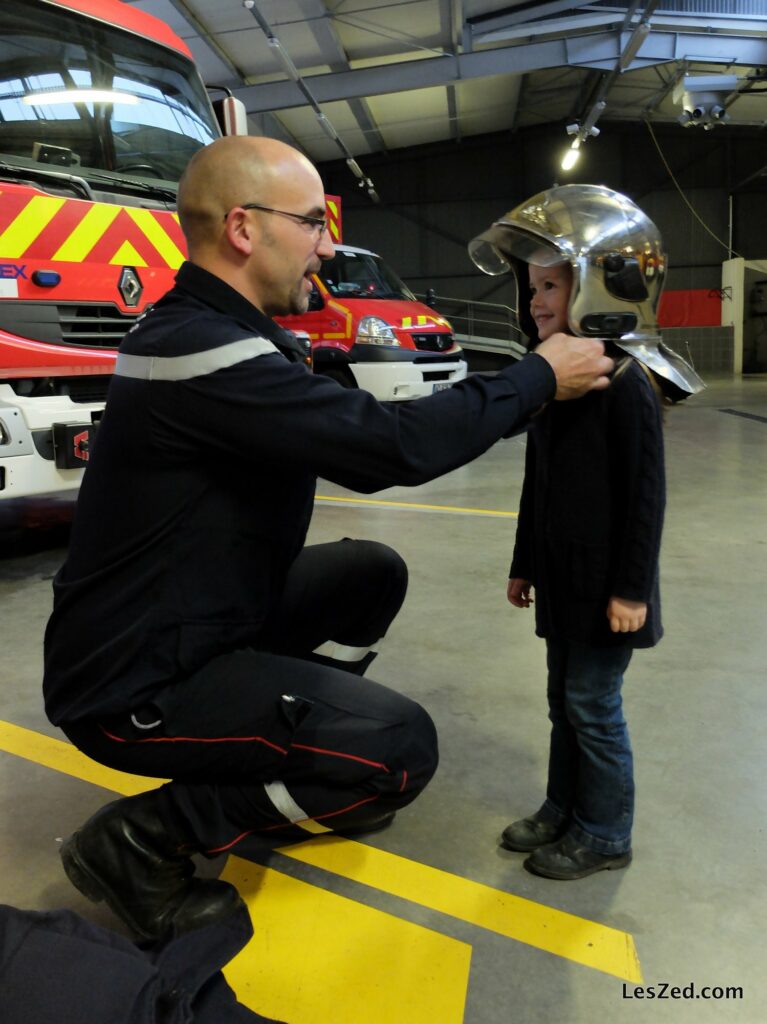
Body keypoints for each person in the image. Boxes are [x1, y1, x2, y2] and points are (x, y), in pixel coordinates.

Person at [43, 137, 614, 940]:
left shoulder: (206, 330)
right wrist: (535, 378)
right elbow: (390, 449)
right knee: (399, 751)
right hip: (132, 684)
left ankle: (290, 753)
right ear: (244, 228)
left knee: (366, 573)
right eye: (312, 222)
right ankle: (144, 839)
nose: (324, 243)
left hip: (191, 619)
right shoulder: (202, 353)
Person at [469, 183, 703, 880]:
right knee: (561, 702)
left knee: (593, 707)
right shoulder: (555, 384)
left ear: (599, 287)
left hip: (608, 590)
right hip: (562, 581)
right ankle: (561, 809)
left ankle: (604, 834)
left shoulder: (626, 382)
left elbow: (643, 500)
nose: (537, 299)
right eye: (532, 286)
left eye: (551, 285)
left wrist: (631, 590)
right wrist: (523, 564)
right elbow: (537, 487)